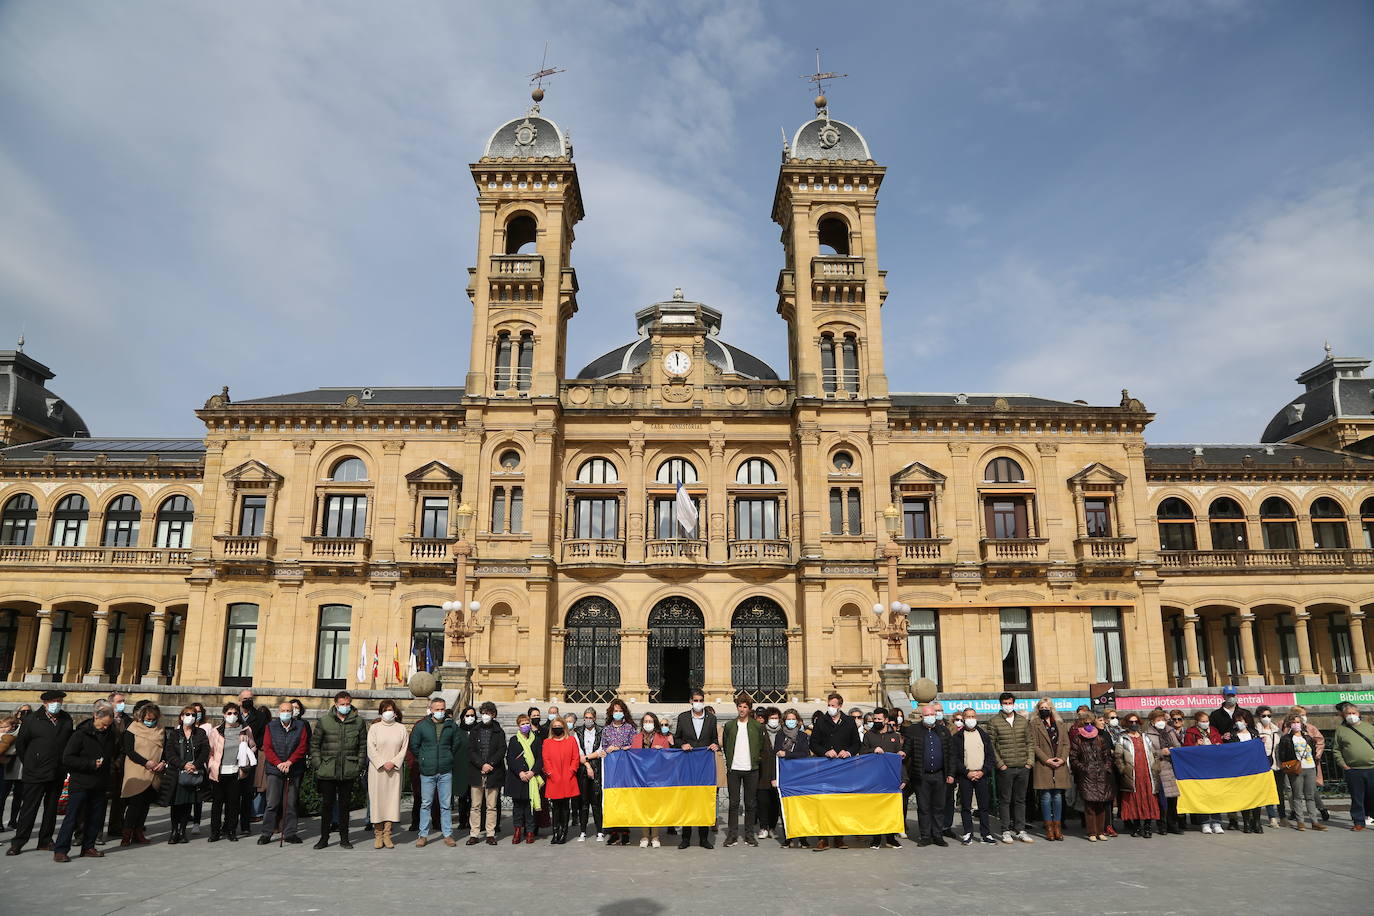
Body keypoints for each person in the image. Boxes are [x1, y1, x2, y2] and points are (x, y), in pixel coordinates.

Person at [6, 689, 74, 856]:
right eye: (54, 701)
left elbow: (68, 743)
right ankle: (19, 841)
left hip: (57, 771)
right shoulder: (32, 720)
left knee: (51, 809)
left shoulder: (66, 719)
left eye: (59, 701)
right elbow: (22, 745)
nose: (57, 704)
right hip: (35, 771)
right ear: (45, 703)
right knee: (29, 808)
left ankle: (45, 840)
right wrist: (31, 762)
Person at [51, 706, 117, 862]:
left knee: (95, 818)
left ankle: (88, 846)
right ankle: (61, 850)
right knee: (72, 818)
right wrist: (90, 764)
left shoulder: (110, 735)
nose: (105, 727)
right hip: (81, 782)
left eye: (108, 724)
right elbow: (67, 758)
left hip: (100, 783)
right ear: (95, 717)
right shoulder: (80, 734)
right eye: (103, 724)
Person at [309, 690, 366, 849]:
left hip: (348, 769)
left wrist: (358, 765)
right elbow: (314, 745)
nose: (345, 707)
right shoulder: (325, 721)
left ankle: (344, 838)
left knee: (345, 806)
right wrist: (318, 764)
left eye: (348, 704)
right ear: (336, 705)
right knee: (327, 805)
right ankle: (324, 838)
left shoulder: (358, 722)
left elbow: (362, 746)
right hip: (328, 769)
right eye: (342, 704)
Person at [408, 696, 466, 847]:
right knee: (426, 803)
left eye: (442, 709)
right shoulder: (422, 726)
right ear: (431, 710)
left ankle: (448, 834)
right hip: (427, 770)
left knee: (446, 804)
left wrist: (449, 757)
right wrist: (423, 759)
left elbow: (456, 743)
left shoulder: (451, 725)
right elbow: (414, 745)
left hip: (445, 770)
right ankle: (423, 835)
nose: (440, 712)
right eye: (437, 709)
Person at [810, 693, 861, 851]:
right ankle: (823, 838)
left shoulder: (849, 721)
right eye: (829, 705)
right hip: (825, 767)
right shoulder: (821, 721)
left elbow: (856, 744)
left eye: (833, 705)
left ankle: (839, 837)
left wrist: (848, 752)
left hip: (843, 768)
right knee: (824, 803)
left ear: (840, 706)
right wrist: (825, 751)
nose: (830, 708)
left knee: (841, 803)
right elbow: (813, 743)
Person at [673, 688, 718, 849]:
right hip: (687, 763)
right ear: (690, 701)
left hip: (705, 765)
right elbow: (676, 738)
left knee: (703, 799)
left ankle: (704, 838)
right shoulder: (683, 718)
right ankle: (685, 838)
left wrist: (715, 745)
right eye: (696, 700)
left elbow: (715, 740)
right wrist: (682, 744)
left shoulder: (711, 719)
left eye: (701, 700)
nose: (698, 703)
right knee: (687, 799)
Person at [206, 702, 256, 842]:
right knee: (217, 804)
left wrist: (246, 754)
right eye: (229, 713)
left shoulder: (245, 730)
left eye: (235, 713)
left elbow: (253, 747)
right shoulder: (216, 731)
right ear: (224, 715)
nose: (232, 716)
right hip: (218, 772)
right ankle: (215, 832)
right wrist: (211, 765)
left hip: (236, 772)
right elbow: (209, 751)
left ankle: (231, 830)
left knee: (233, 803)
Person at [988, 692, 1034, 844]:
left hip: (1023, 766)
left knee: (1020, 800)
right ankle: (1005, 830)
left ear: (1014, 703)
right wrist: (1000, 764)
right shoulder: (994, 722)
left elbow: (1030, 742)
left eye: (1010, 703)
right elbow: (991, 745)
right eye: (1005, 703)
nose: (1008, 706)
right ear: (1001, 704)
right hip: (1005, 768)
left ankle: (1020, 829)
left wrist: (1029, 762)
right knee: (1005, 800)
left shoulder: (1022, 721)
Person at [904, 703, 952, 848]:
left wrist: (950, 773)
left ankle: (937, 835)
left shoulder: (943, 731)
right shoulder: (913, 730)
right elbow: (907, 748)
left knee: (938, 807)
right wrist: (903, 753)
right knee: (924, 807)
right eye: (927, 715)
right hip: (921, 775)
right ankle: (925, 835)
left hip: (940, 775)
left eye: (932, 714)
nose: (931, 717)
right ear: (921, 716)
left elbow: (951, 754)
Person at [259, 700, 307, 845]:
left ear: (292, 713)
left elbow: (302, 746)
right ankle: (266, 833)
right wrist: (279, 763)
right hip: (275, 769)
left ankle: (290, 833)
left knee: (291, 803)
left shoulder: (300, 726)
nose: (286, 713)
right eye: (283, 711)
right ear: (278, 712)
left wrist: (289, 762)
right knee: (272, 803)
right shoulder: (271, 726)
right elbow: (267, 748)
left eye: (288, 711)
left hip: (293, 768)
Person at [160, 705, 209, 844]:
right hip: (177, 773)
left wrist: (195, 765)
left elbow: (205, 751)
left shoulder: (200, 733)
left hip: (192, 773)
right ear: (181, 717)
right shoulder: (175, 733)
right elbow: (169, 753)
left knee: (187, 803)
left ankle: (182, 831)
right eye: (187, 714)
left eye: (193, 715)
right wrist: (182, 764)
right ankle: (174, 831)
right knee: (176, 804)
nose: (190, 717)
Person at [720, 695, 764, 848]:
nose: (742, 709)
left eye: (745, 707)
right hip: (734, 769)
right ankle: (732, 835)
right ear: (737, 707)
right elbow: (726, 744)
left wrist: (755, 760)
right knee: (734, 803)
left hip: (751, 769)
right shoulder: (730, 725)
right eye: (740, 706)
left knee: (750, 803)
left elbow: (761, 745)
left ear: (749, 709)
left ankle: (749, 835)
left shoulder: (757, 726)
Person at [950, 707, 999, 845]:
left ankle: (986, 834)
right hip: (966, 775)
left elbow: (990, 756)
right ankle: (968, 832)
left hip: (982, 774)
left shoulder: (983, 735)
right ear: (963, 719)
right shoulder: (957, 738)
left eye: (973, 716)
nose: (970, 719)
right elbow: (955, 759)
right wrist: (967, 772)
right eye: (968, 717)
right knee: (966, 806)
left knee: (983, 806)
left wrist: (983, 771)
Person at [119, 703, 165, 845]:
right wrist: (146, 762)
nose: (150, 722)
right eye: (147, 719)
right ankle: (126, 834)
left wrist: (163, 762)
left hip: (154, 772)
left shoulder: (161, 730)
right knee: (135, 804)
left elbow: (166, 749)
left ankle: (139, 832)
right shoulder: (132, 729)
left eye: (153, 720)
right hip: (137, 770)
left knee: (145, 805)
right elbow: (129, 751)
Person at [861, 707, 905, 848]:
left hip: (891, 778)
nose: (877, 721)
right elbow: (862, 753)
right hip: (874, 778)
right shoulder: (869, 735)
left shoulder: (895, 736)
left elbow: (899, 759)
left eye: (879, 719)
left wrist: (904, 779)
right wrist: (872, 750)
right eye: (875, 719)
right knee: (875, 809)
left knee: (891, 809)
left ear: (886, 720)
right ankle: (876, 838)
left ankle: (891, 838)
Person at [365, 699, 406, 849]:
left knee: (391, 802)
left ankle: (388, 834)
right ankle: (378, 834)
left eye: (390, 709)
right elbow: (371, 748)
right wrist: (382, 763)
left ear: (395, 711)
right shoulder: (374, 728)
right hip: (378, 771)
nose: (388, 712)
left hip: (394, 771)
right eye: (385, 709)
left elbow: (403, 749)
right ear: (381, 712)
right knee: (377, 802)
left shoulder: (401, 728)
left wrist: (393, 762)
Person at [597, 697, 638, 846]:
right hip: (612, 770)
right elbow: (603, 748)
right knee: (613, 799)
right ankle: (614, 832)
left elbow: (635, 746)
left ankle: (625, 831)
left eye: (620, 711)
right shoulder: (606, 729)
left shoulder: (630, 728)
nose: (618, 713)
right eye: (615, 711)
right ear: (611, 712)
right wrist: (605, 751)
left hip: (626, 768)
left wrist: (623, 748)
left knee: (625, 798)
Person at [1276, 711, 1325, 831]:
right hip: (1296, 769)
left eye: (1298, 722)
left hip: (1310, 767)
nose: (1296, 724)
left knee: (1310, 796)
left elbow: (1313, 752)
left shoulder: (1307, 738)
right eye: (1293, 722)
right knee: (1297, 796)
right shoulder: (1286, 739)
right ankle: (1300, 821)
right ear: (1289, 724)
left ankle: (1314, 821)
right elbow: (1282, 755)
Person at [628, 712, 671, 847]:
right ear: (642, 723)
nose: (648, 724)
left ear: (655, 723)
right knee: (644, 807)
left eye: (650, 721)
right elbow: (632, 756)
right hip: (640, 778)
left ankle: (656, 836)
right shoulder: (636, 738)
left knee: (655, 807)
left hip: (656, 778)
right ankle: (645, 836)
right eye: (645, 721)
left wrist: (661, 751)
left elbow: (668, 759)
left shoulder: (662, 739)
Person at [1069, 713, 1115, 842]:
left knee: (1101, 804)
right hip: (1087, 776)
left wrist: (1106, 768)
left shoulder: (1100, 739)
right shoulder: (1077, 739)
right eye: (1085, 723)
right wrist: (1084, 769)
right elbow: (1073, 758)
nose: (1088, 726)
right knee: (1089, 806)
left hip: (1101, 776)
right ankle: (1092, 832)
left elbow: (1107, 756)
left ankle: (1101, 831)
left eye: (1090, 723)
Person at [1114, 712, 1160, 838]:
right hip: (1132, 774)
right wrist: (1123, 770)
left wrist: (1156, 767)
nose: (1134, 724)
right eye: (1131, 722)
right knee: (1134, 800)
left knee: (1148, 799)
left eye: (1136, 722)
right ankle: (1136, 826)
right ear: (1127, 724)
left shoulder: (1145, 737)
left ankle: (1147, 826)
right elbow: (1118, 757)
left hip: (1147, 773)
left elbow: (1154, 753)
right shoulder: (1122, 738)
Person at [1030, 699, 1070, 841]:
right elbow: (1034, 745)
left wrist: (1062, 758)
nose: (1044, 710)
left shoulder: (1060, 724)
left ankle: (1057, 827)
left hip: (1059, 764)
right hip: (1044, 764)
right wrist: (1046, 759)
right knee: (1046, 797)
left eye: (1047, 707)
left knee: (1058, 796)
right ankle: (1048, 828)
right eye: (1042, 707)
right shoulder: (1034, 724)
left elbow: (1066, 744)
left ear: (1052, 709)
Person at [467, 701, 505, 846]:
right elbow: (470, 750)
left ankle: (490, 833)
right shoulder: (475, 730)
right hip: (477, 771)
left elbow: (501, 749)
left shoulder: (499, 731)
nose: (485, 716)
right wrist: (481, 764)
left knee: (491, 805)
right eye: (483, 713)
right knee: (475, 805)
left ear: (493, 714)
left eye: (488, 713)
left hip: (493, 772)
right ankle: (474, 833)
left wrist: (490, 764)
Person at [771, 708, 811, 848]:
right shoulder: (780, 735)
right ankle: (788, 836)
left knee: (801, 806)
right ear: (784, 721)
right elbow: (775, 754)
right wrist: (774, 777)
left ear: (798, 720)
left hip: (800, 775)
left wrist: (787, 754)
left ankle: (803, 838)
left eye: (793, 719)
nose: (791, 721)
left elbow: (804, 753)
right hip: (785, 775)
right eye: (788, 719)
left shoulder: (802, 736)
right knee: (786, 808)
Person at [1331, 702, 1374, 831]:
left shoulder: (1369, 727)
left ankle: (1371, 816)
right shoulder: (1341, 730)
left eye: (1353, 713)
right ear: (1344, 715)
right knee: (1357, 797)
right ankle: (1359, 822)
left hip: (1372, 767)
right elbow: (1336, 749)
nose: (1351, 716)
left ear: (1358, 714)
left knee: (1372, 795)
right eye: (1348, 714)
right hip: (1353, 769)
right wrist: (1343, 765)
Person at [540, 712, 580, 845]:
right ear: (552, 728)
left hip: (568, 778)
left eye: (559, 725)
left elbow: (575, 757)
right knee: (555, 807)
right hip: (554, 779)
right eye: (555, 726)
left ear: (564, 727)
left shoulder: (571, 740)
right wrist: (551, 773)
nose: (557, 728)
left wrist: (571, 770)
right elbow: (546, 759)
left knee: (565, 807)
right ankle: (555, 832)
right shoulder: (547, 742)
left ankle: (563, 832)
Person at [1183, 711, 1224, 833]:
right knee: (1203, 795)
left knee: (1216, 795)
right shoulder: (1191, 733)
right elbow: (1186, 750)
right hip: (1199, 769)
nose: (1206, 723)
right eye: (1203, 721)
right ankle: (1205, 822)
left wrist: (1218, 745)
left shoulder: (1214, 731)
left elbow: (1221, 747)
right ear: (1197, 722)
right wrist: (1195, 745)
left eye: (1207, 721)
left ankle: (1217, 822)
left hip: (1214, 768)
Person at [505, 713, 543, 845]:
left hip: (531, 777)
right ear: (518, 726)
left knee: (529, 808)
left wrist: (532, 772)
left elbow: (540, 758)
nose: (525, 726)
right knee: (518, 808)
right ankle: (517, 831)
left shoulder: (536, 740)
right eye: (522, 724)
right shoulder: (514, 740)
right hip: (517, 778)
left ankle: (530, 831)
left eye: (527, 723)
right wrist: (520, 772)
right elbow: (510, 758)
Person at [1224, 712, 1264, 834]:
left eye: (1241, 720)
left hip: (1254, 769)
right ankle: (1246, 821)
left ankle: (1256, 821)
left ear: (1246, 722)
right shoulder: (1231, 735)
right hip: (1240, 770)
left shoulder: (1254, 733)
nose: (1238, 723)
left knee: (1256, 796)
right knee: (1244, 796)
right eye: (1236, 720)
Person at [1289, 705, 1330, 823]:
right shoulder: (1286, 727)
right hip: (1293, 764)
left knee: (1311, 790)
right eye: (1301, 715)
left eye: (1304, 715)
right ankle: (1295, 812)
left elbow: (1320, 741)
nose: (1304, 717)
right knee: (1291, 790)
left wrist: (1317, 754)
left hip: (1308, 763)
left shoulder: (1310, 728)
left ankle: (1321, 809)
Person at [1147, 708, 1182, 836]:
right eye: (1158, 720)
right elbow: (1149, 751)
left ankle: (1173, 824)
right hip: (1159, 767)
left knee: (1173, 798)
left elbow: (1178, 745)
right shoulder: (1148, 735)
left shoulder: (1170, 731)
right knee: (1161, 799)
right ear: (1152, 721)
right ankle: (1162, 825)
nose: (1161, 722)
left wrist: (1174, 749)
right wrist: (1161, 752)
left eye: (1162, 719)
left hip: (1172, 767)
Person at [574, 707, 603, 842]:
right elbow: (578, 752)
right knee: (583, 802)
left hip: (597, 769)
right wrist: (587, 765)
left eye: (591, 718)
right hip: (582, 770)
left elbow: (600, 751)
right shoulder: (577, 732)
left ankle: (599, 831)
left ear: (595, 718)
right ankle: (583, 831)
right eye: (586, 717)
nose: (588, 720)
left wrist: (588, 759)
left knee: (596, 801)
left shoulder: (601, 731)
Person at [756, 708, 783, 841]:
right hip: (763, 771)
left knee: (775, 802)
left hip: (778, 771)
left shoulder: (783, 733)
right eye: (771, 718)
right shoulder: (760, 731)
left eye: (776, 718)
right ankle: (763, 827)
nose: (774, 720)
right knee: (762, 801)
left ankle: (772, 827)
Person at [1254, 705, 1283, 828]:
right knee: (1265, 791)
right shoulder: (1256, 730)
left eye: (1269, 716)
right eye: (1264, 716)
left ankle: (1281, 816)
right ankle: (1270, 817)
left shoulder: (1277, 730)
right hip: (1263, 765)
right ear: (1259, 717)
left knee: (1278, 792)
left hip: (1277, 764)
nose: (1266, 718)